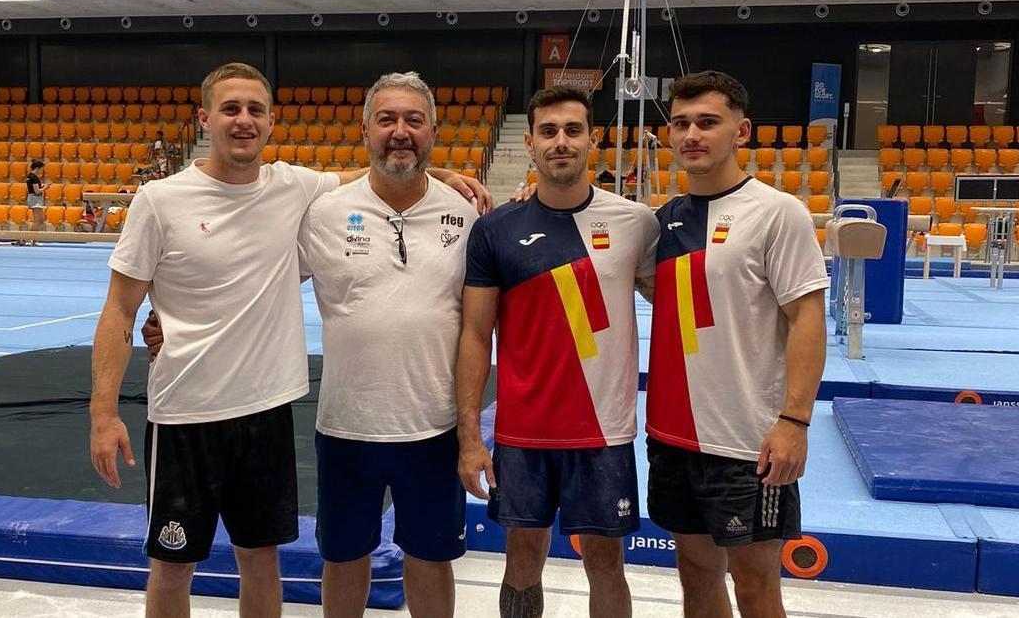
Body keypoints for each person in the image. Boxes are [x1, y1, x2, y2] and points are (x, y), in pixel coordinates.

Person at [91, 62, 488, 618]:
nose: (244, 121)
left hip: (286, 414)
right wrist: (106, 407)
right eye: (231, 109)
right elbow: (123, 306)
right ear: (204, 117)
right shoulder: (173, 201)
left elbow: (391, 167)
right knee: (176, 564)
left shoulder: (307, 191)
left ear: (272, 122)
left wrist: (441, 173)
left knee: (264, 560)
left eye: (255, 110)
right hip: (209, 416)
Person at [456, 86, 659, 618]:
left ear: (593, 140)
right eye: (548, 132)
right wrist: (471, 436)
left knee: (605, 561)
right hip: (524, 431)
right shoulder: (496, 230)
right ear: (529, 144)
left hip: (603, 431)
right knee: (521, 559)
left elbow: (683, 299)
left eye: (572, 131)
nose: (560, 142)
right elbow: (475, 336)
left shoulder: (636, 223)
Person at [644, 71, 828, 618]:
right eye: (680, 123)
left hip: (749, 442)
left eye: (707, 122)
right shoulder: (664, 222)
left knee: (755, 586)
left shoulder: (777, 212)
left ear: (741, 131)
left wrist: (794, 421)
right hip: (673, 435)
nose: (691, 134)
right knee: (696, 577)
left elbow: (808, 320)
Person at [297, 72, 478, 618]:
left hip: (433, 427)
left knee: (431, 557)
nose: (401, 132)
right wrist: (172, 317)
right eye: (388, 119)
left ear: (433, 131)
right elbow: (253, 277)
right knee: (344, 557)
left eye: (413, 121)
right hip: (347, 425)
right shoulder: (322, 213)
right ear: (365, 128)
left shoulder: (466, 213)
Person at [25, 159, 47, 243]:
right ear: (38, 168)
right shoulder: (33, 177)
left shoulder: (31, 176)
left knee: (41, 220)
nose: (42, 170)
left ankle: (32, 238)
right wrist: (45, 188)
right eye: (42, 168)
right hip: (35, 198)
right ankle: (30, 239)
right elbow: (37, 191)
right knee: (38, 220)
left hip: (35, 198)